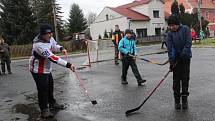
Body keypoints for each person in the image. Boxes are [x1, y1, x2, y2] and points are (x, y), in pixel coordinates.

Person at [29, 24, 75, 118]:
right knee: (43, 89)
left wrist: (61, 48)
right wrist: (68, 65)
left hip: (46, 68)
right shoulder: (38, 45)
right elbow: (53, 58)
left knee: (50, 86)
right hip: (38, 70)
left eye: (51, 32)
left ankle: (52, 103)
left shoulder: (50, 38)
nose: (50, 35)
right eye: (47, 33)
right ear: (42, 34)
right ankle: (44, 110)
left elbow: (54, 46)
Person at [167, 14, 192, 110]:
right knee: (176, 81)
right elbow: (170, 48)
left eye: (173, 25)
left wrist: (183, 53)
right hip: (176, 59)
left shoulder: (185, 29)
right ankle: (177, 101)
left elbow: (188, 43)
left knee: (185, 79)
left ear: (178, 24)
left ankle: (184, 100)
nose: (171, 27)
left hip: (185, 58)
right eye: (170, 25)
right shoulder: (170, 33)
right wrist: (171, 61)